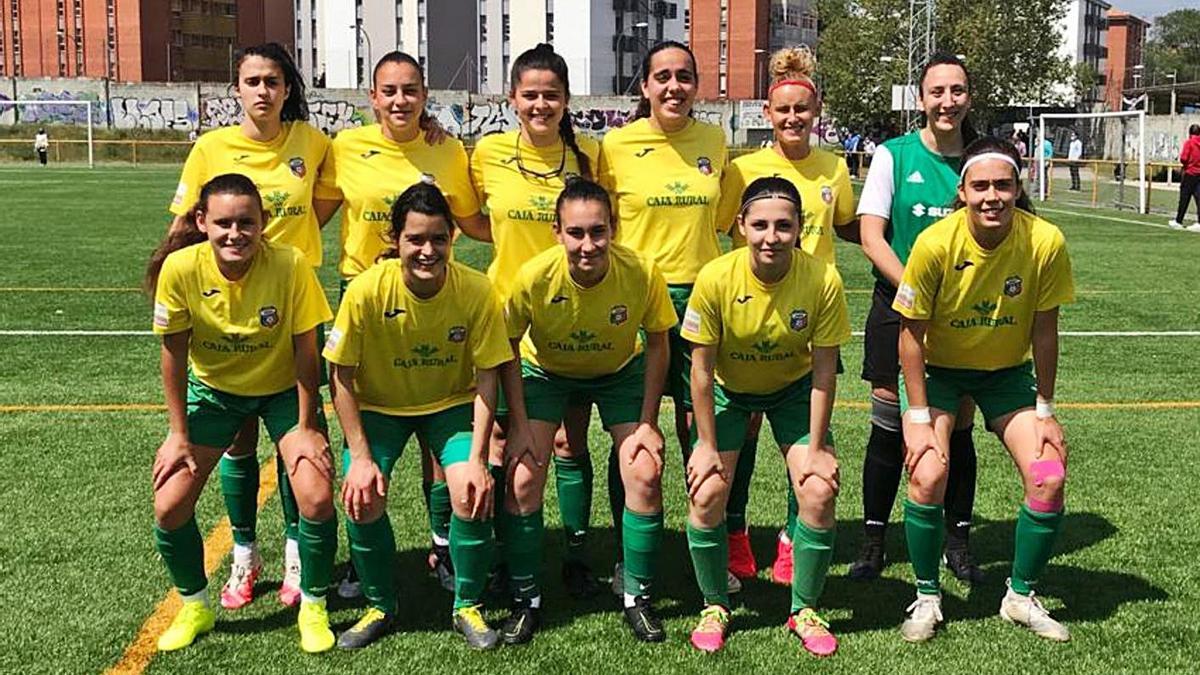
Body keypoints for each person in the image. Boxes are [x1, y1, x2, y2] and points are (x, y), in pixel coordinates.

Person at [167, 42, 340, 611]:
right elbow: (183, 226)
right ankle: (245, 552)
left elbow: (327, 202)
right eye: (252, 81)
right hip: (229, 309)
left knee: (297, 438)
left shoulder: (313, 143)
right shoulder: (211, 148)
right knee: (239, 444)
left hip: (291, 304)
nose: (263, 90)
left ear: (288, 88)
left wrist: (281, 257)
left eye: (273, 80)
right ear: (236, 89)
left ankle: (295, 550)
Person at [146, 173, 338, 653]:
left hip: (280, 393)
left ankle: (313, 605)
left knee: (314, 495)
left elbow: (306, 350)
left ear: (263, 223)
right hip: (213, 393)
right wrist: (177, 432)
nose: (235, 233)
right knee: (169, 506)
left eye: (246, 223)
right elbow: (173, 352)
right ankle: (196, 605)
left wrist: (308, 424)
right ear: (201, 222)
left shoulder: (291, 264)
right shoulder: (181, 269)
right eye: (224, 223)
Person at [893, 136, 1074, 643]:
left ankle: (1020, 595)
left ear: (1019, 188)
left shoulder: (1045, 242)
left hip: (1005, 378)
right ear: (962, 191)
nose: (992, 195)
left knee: (1049, 476)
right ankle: (927, 595)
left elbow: (1045, 329)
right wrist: (918, 418)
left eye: (1003, 184)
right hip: (940, 375)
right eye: (980, 186)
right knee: (928, 473)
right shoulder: (934, 244)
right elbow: (910, 335)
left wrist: (1045, 409)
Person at [324, 182, 518, 650]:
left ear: (454, 238)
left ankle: (467, 606)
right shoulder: (367, 290)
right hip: (379, 409)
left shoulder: (475, 290)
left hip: (449, 405)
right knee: (363, 493)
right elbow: (341, 374)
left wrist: (476, 457)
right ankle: (379, 605)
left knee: (470, 491)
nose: (427, 251)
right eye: (415, 239)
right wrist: (361, 455)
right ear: (395, 239)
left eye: (438, 239)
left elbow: (489, 376)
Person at [322, 50, 486, 596]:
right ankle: (361, 559)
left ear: (425, 96)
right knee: (372, 426)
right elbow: (309, 213)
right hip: (364, 293)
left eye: (411, 90)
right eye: (389, 90)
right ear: (372, 96)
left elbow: (469, 222)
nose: (400, 100)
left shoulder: (446, 149)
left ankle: (441, 545)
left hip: (436, 293)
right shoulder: (344, 147)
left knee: (438, 423)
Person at [500, 177, 676, 644]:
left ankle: (636, 595)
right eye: (576, 233)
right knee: (521, 476)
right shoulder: (534, 276)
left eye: (597, 231)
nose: (587, 244)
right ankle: (526, 598)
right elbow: (508, 345)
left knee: (643, 470)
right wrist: (517, 423)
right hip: (548, 373)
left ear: (613, 229)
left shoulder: (640, 271)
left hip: (618, 371)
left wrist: (647, 422)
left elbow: (658, 344)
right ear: (556, 231)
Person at [682, 176, 850, 654]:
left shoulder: (822, 279)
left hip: (792, 392)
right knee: (709, 489)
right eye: (759, 225)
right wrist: (707, 446)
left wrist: (816, 449)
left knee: (817, 491)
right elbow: (700, 371)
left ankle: (804, 609)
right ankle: (714, 604)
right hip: (729, 393)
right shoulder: (716, 277)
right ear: (741, 226)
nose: (770, 236)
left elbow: (824, 372)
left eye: (783, 225)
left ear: (799, 228)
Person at [597, 39, 736, 598]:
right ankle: (628, 554)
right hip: (639, 304)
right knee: (636, 433)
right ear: (645, 86)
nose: (673, 86)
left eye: (684, 76)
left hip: (702, 303)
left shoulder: (715, 140)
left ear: (696, 84)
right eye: (662, 76)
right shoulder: (616, 146)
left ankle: (713, 542)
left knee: (704, 429)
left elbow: (724, 221)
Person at [714, 45, 857, 585]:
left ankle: (792, 540)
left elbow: (845, 226)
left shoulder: (835, 169)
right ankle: (733, 533)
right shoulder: (744, 168)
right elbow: (722, 229)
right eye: (783, 110)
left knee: (810, 437)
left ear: (814, 112)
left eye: (802, 109)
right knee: (742, 435)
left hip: (810, 317)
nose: (793, 118)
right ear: (767, 115)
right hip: (750, 316)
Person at [470, 43, 603, 598]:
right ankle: (507, 553)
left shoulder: (590, 154)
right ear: (512, 99)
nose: (541, 104)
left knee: (572, 442)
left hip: (571, 314)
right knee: (503, 442)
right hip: (505, 317)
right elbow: (469, 218)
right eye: (531, 95)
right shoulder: (485, 153)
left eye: (552, 95)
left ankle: (575, 551)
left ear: (567, 99)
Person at [855, 52, 983, 584]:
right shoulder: (892, 155)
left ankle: (957, 541)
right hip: (898, 307)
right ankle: (873, 540)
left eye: (957, 90)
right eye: (937, 91)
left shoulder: (983, 158)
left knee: (957, 429)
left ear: (968, 97)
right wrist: (915, 290)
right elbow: (870, 234)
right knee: (890, 427)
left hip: (965, 316)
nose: (947, 101)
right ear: (921, 99)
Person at [1169, 124, 1200, 231]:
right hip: (1199, 174)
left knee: (1184, 198)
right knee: (1199, 198)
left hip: (1190, 173)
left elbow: (1183, 158)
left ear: (1190, 133)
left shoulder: (1189, 143)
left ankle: (1179, 220)